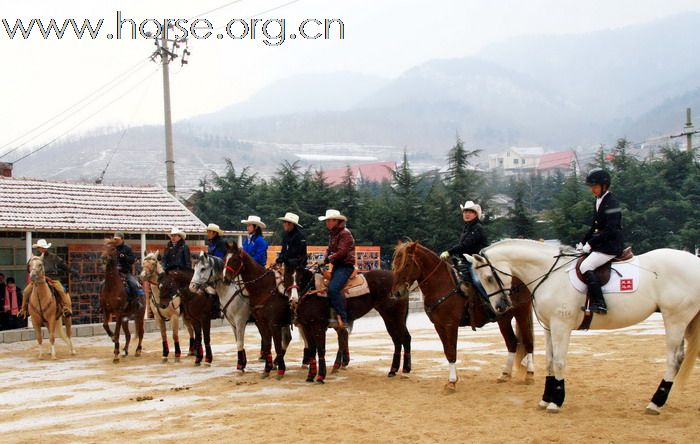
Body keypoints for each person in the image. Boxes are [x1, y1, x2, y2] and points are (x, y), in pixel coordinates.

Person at [576, 168, 623, 315]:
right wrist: (583, 242)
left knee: (585, 266)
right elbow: (594, 227)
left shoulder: (612, 202)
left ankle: (600, 303)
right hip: (601, 244)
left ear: (604, 186)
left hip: (610, 246)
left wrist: (591, 244)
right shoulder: (598, 201)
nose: (592, 190)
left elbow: (611, 230)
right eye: (591, 187)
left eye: (595, 187)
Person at [319, 209, 355, 329]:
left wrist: (328, 259)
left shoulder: (345, 233)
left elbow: (342, 252)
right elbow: (329, 249)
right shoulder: (334, 234)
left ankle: (343, 318)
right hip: (338, 266)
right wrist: (324, 258)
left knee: (333, 289)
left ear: (336, 221)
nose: (327, 223)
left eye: (328, 221)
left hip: (345, 266)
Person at [20, 239, 73, 318]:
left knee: (61, 290)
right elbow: (28, 268)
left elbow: (62, 265)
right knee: (25, 292)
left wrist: (70, 270)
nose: (43, 249)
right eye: (41, 247)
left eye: (44, 247)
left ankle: (66, 308)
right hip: (38, 280)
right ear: (38, 248)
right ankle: (23, 310)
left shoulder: (53, 257)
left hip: (52, 279)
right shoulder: (34, 258)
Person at [440, 200, 488, 285]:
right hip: (467, 262)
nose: (467, 214)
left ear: (475, 214)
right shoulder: (467, 228)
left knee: (477, 282)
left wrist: (449, 252)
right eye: (465, 212)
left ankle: (488, 298)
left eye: (470, 212)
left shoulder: (477, 228)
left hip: (477, 262)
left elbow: (465, 245)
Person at [275, 212, 308, 291]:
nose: (283, 224)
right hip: (288, 266)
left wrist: (280, 259)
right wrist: (279, 259)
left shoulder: (299, 236)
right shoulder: (286, 236)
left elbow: (292, 252)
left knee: (293, 288)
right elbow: (283, 251)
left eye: (285, 222)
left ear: (291, 224)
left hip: (297, 267)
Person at [113, 232, 145, 309]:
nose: (116, 241)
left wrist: (124, 256)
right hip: (114, 273)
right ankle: (103, 304)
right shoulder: (112, 248)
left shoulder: (127, 248)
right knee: (103, 284)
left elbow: (132, 260)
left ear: (122, 239)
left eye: (117, 239)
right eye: (115, 239)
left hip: (125, 272)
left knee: (134, 284)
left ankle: (137, 301)